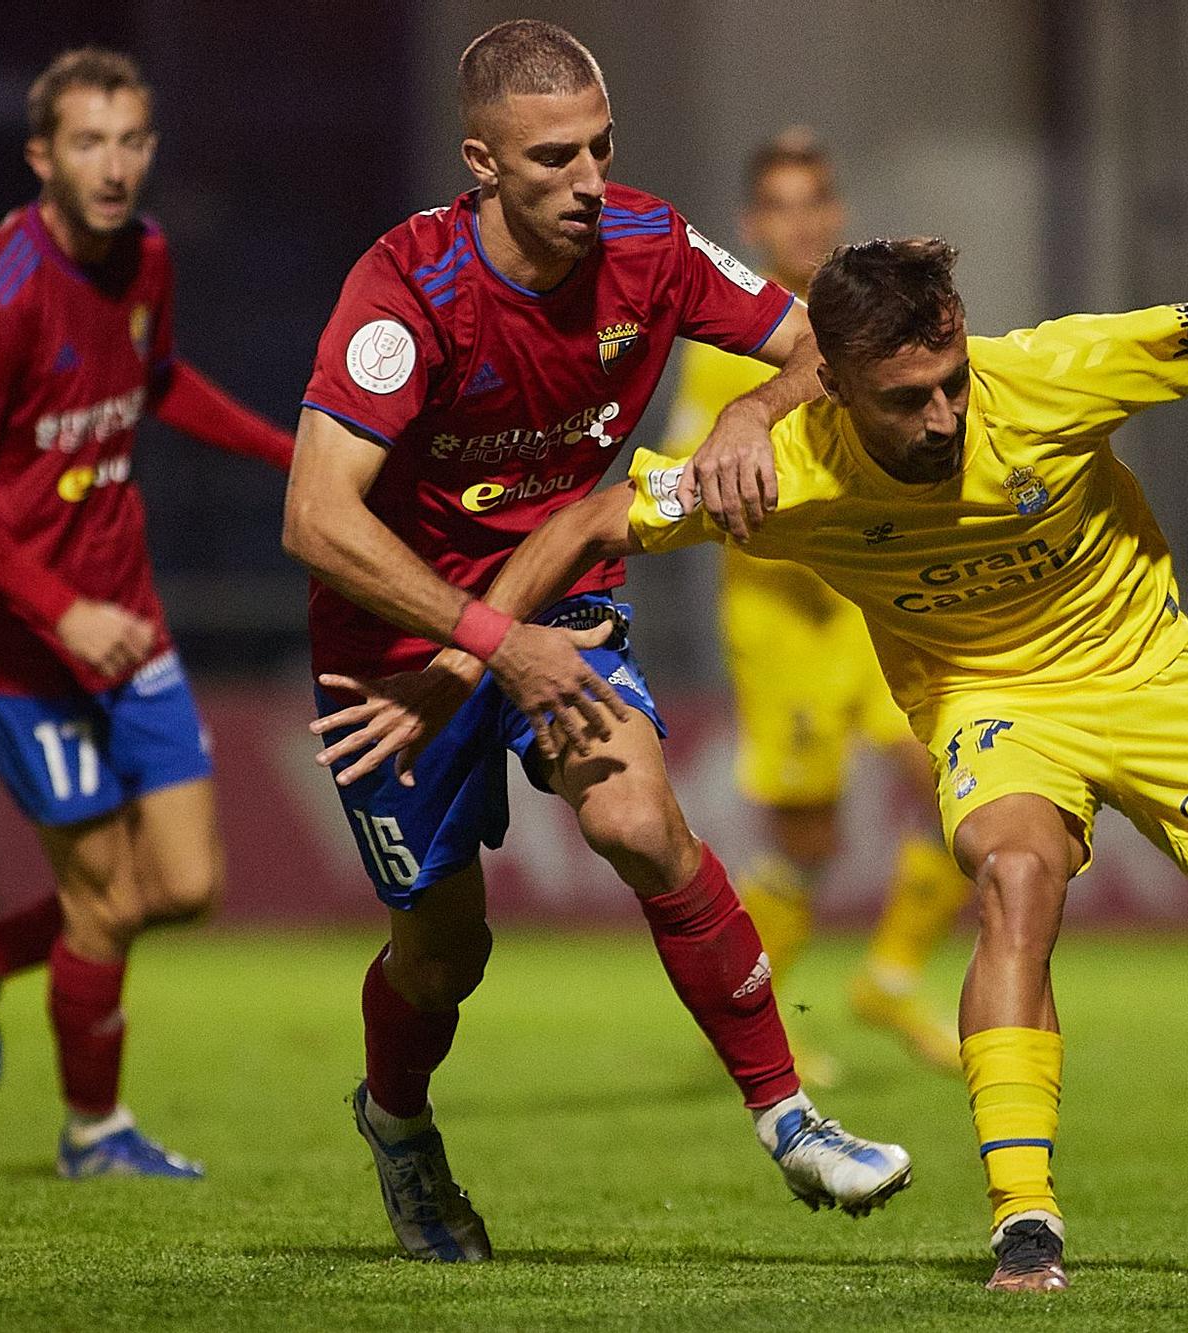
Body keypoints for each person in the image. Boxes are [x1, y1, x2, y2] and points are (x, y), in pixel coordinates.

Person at [455, 238, 1188, 1290]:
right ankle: (1024, 1216)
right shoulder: (776, 475)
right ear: (828, 383)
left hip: (1155, 683)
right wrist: (473, 663)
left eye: (950, 382)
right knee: (1015, 878)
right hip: (991, 705)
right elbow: (585, 525)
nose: (941, 417)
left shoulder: (1049, 375)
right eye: (905, 398)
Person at [282, 21, 908, 1263]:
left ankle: (788, 1117)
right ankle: (398, 1127)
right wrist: (481, 642)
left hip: (558, 604)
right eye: (553, 159)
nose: (587, 183)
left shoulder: (651, 243)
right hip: (395, 649)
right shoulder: (407, 291)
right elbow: (312, 514)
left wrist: (750, 421)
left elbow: (814, 345)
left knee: (635, 819)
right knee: (441, 954)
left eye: (601, 149)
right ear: (480, 163)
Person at [0, 47, 296, 1178]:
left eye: (132, 140)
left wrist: (286, 451)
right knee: (107, 894)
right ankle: (94, 1132)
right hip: (24, 649)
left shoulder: (148, 255)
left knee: (185, 885)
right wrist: (61, 611)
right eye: (89, 142)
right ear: (42, 157)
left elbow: (157, 376)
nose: (115, 165)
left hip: (126, 622)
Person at [656, 130, 970, 1085]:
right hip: (781, 619)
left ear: (834, 211)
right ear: (755, 223)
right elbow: (688, 473)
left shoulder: (868, 319)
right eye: (780, 206)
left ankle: (890, 975)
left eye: (815, 200)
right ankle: (750, 1022)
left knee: (962, 784)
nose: (801, 220)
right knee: (812, 841)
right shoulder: (731, 336)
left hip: (873, 604)